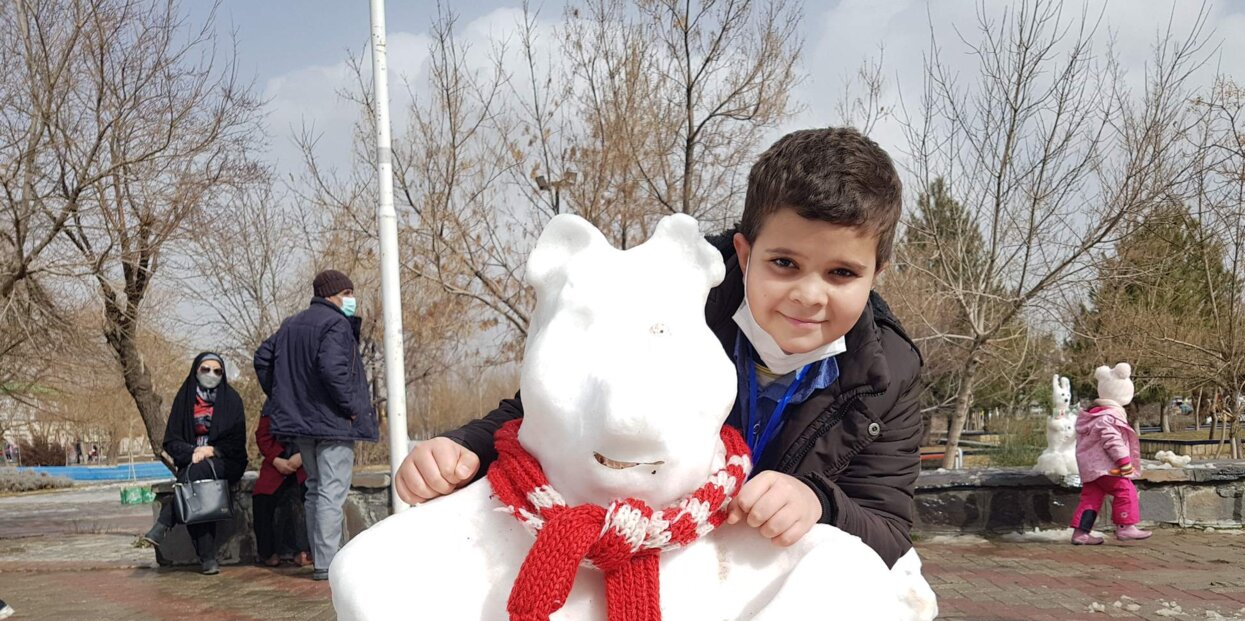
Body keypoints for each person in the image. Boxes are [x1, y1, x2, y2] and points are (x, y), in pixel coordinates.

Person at [394, 127, 923, 567]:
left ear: (876, 273)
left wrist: (820, 502)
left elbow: (889, 530)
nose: (809, 294)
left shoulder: (886, 374)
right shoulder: (675, 302)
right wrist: (464, 447)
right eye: (784, 263)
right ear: (743, 252)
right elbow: (554, 405)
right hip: (653, 549)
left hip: (755, 574)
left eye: (842, 273)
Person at [254, 269, 379, 581]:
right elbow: (333, 370)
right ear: (332, 294)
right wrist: (350, 407)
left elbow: (262, 358)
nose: (351, 299)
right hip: (332, 421)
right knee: (331, 491)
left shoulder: (291, 324)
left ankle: (325, 558)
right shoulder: (335, 323)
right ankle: (328, 563)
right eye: (347, 293)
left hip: (301, 424)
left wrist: (284, 394)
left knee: (314, 488)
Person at [137, 352, 248, 574]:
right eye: (205, 369)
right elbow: (171, 440)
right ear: (196, 370)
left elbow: (236, 441)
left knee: (192, 479)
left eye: (217, 371)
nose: (211, 375)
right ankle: (207, 559)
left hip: (226, 461)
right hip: (192, 460)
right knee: (195, 483)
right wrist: (192, 451)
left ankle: (166, 523)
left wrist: (211, 450)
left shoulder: (231, 399)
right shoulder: (184, 398)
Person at [1071, 362, 1152, 545]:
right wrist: (1124, 461)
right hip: (1107, 467)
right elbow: (1112, 441)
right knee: (1126, 490)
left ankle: (1081, 533)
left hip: (1091, 468)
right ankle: (1125, 527)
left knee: (1091, 498)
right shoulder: (1110, 417)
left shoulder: (1092, 416)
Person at [251, 413, 311, 567]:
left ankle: (306, 551)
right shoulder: (272, 403)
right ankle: (268, 552)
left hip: (307, 463)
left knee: (306, 497)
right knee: (262, 497)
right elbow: (263, 436)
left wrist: (302, 456)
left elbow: (318, 432)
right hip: (276, 463)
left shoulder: (311, 398)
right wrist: (276, 459)